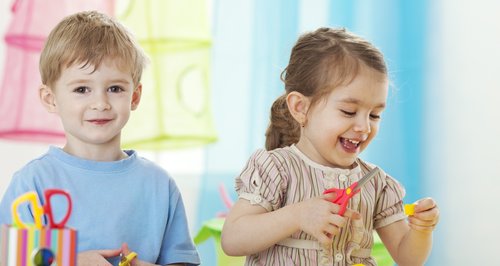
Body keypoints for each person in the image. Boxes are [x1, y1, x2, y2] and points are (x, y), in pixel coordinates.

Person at [221, 27, 439, 266]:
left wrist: (421, 230)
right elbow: (233, 240)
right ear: (301, 108)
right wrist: (297, 215)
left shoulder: (376, 183)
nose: (364, 127)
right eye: (349, 111)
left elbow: (408, 258)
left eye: (375, 115)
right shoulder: (276, 169)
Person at [0, 11, 200, 266]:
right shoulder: (32, 183)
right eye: (82, 89)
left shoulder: (159, 185)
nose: (100, 103)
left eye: (115, 89)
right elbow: (9, 259)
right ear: (51, 99)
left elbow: (182, 261)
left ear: (135, 96)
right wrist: (69, 261)